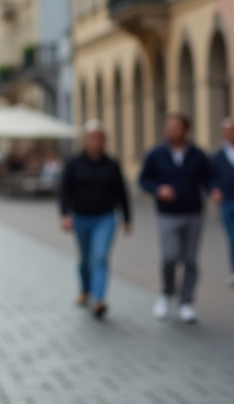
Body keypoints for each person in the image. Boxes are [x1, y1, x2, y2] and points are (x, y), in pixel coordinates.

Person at [138, 113, 213, 324]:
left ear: (186, 130)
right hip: (167, 214)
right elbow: (143, 179)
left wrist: (215, 190)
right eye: (168, 127)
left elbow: (208, 179)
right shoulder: (156, 154)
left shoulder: (198, 155)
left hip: (193, 214)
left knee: (190, 260)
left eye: (175, 127)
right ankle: (166, 293)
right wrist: (157, 189)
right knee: (170, 257)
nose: (171, 130)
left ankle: (186, 303)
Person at [58, 122, 131, 318]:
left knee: (99, 256)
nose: (95, 142)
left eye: (99, 138)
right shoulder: (74, 163)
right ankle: (84, 290)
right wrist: (65, 214)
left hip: (105, 217)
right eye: (91, 138)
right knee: (85, 259)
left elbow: (122, 192)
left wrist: (127, 218)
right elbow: (65, 190)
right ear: (85, 141)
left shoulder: (112, 164)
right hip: (81, 217)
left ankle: (98, 298)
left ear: (104, 141)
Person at [210, 118, 234, 287]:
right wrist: (214, 190)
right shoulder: (217, 156)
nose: (229, 133)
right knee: (233, 237)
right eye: (227, 131)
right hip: (227, 202)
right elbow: (210, 178)